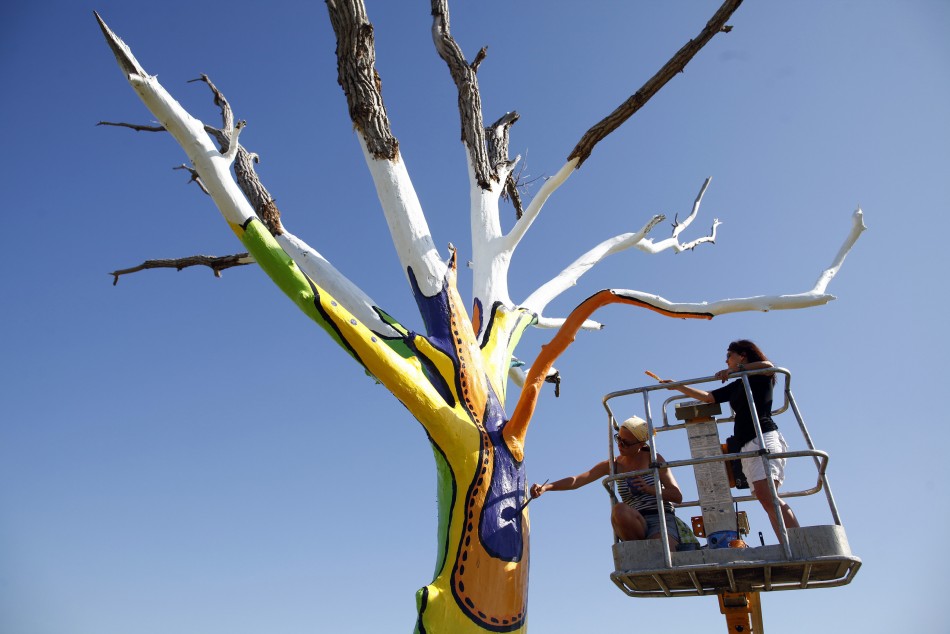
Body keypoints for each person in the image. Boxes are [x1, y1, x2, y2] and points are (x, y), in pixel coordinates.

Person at [662, 339, 800, 540]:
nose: (726, 361)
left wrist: (737, 370)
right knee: (764, 499)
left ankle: (797, 540)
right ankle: (787, 543)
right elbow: (709, 397)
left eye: (728, 356)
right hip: (745, 445)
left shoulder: (759, 375)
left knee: (768, 495)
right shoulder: (737, 384)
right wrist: (678, 387)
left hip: (763, 437)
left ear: (742, 355)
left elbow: (769, 366)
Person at [529, 416, 683, 547]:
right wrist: (547, 487)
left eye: (626, 443)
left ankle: (659, 547)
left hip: (660, 516)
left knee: (663, 552)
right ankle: (640, 551)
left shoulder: (654, 459)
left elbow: (677, 496)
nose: (620, 445)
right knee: (619, 510)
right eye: (619, 439)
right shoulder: (614, 464)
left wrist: (650, 489)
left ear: (641, 444)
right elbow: (577, 480)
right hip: (634, 521)